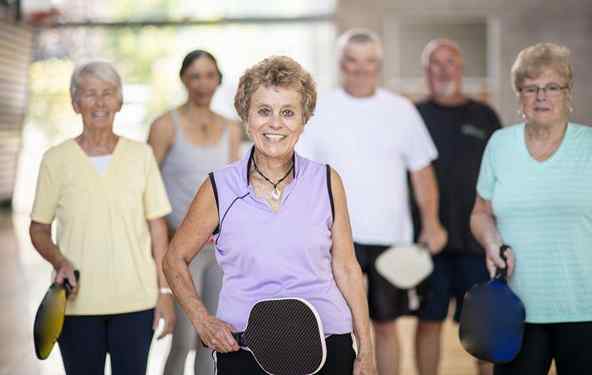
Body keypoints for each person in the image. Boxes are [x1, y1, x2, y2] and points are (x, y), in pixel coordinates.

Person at [163, 55, 376, 374]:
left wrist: (367, 350)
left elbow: (346, 267)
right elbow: (174, 259)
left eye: (288, 112)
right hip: (244, 349)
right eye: (264, 111)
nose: (275, 123)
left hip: (328, 342)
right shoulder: (219, 187)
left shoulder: (328, 181)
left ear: (304, 120)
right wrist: (202, 320)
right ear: (246, 118)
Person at [297, 29, 447, 375]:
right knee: (333, 327)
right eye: (352, 60)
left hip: (389, 236)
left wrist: (432, 222)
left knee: (385, 325)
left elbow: (421, 172)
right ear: (340, 64)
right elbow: (304, 175)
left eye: (369, 62)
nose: (361, 69)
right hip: (332, 236)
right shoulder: (318, 109)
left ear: (378, 65)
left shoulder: (401, 109)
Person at [29, 61, 175, 375]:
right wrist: (60, 261)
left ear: (119, 102)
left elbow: (158, 230)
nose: (100, 102)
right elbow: (39, 229)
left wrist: (164, 293)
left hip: (136, 303)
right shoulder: (56, 160)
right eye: (89, 94)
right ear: (74, 103)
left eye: (108, 93)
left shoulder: (141, 156)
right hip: (76, 305)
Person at [471, 42, 592, 374]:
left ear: (567, 93)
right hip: (516, 311)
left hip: (587, 309)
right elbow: (480, 212)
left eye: (552, 87)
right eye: (531, 88)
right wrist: (491, 241)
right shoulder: (500, 144)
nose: (542, 96)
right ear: (520, 97)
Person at [148, 49, 241, 375]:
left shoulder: (231, 128)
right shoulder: (164, 126)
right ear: (184, 80)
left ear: (218, 79)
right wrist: (160, 239)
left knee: (213, 337)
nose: (203, 83)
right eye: (195, 76)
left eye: (210, 75)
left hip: (218, 249)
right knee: (184, 338)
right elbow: (147, 189)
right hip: (181, 249)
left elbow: (233, 187)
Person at [412, 39, 501, 375]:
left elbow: (501, 174)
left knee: (484, 329)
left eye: (450, 61)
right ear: (426, 71)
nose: (443, 69)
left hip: (476, 242)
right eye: (435, 62)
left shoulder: (484, 115)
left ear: (461, 68)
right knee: (428, 322)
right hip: (429, 241)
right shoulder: (414, 116)